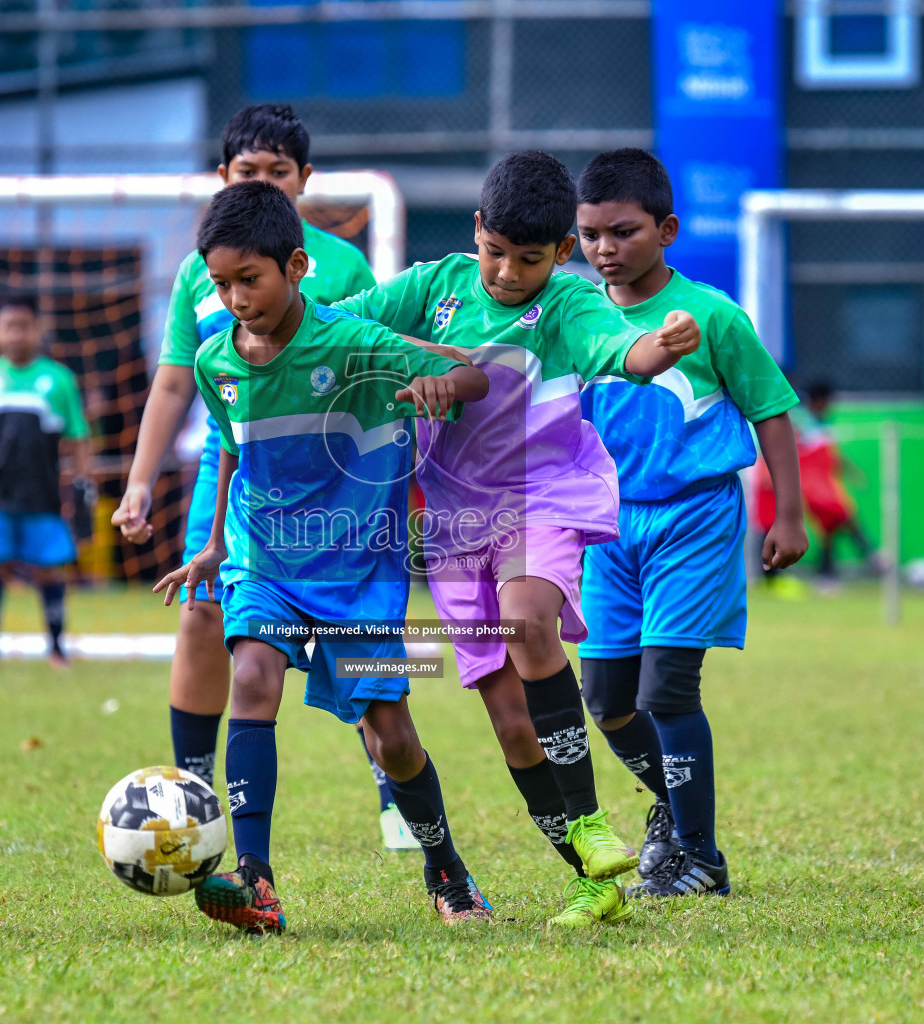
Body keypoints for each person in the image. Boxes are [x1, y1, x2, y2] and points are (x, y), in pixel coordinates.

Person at [335, 150, 702, 926]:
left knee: (531, 619)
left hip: (542, 500)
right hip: (455, 523)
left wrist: (657, 348)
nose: (505, 272)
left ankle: (597, 822)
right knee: (511, 726)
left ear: (561, 252)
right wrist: (423, 361)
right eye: (494, 251)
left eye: (527, 259)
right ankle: (591, 876)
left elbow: (621, 350)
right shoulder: (434, 286)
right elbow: (345, 330)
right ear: (477, 231)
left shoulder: (568, 305)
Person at [157, 181, 493, 932]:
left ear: (297, 267)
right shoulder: (217, 363)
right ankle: (256, 882)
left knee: (391, 735)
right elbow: (233, 453)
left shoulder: (352, 342)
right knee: (250, 675)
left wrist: (443, 381)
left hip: (357, 568)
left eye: (251, 279)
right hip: (264, 557)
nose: (237, 297)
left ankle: (448, 872)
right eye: (221, 284)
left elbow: (473, 373)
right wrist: (213, 545)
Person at [108, 105, 410, 852]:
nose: (266, 183)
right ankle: (191, 795)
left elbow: (368, 370)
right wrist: (139, 482)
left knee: (359, 627)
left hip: (335, 472)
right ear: (224, 178)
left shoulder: (338, 264)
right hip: (239, 458)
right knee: (203, 610)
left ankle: (391, 787)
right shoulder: (195, 273)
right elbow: (176, 381)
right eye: (250, 172)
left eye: (280, 172)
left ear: (304, 181)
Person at [573, 148, 804, 902]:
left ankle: (700, 859)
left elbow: (770, 407)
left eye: (624, 231)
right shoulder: (576, 317)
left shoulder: (711, 315)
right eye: (590, 233)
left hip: (694, 517)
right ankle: (674, 818)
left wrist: (788, 514)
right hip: (607, 527)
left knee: (667, 690)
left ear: (666, 229)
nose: (604, 248)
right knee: (607, 697)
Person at [0, 295, 94, 669]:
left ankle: (57, 648)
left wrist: (84, 481)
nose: (16, 335)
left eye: (24, 326)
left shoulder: (58, 379)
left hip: (42, 496)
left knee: (48, 570)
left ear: (37, 331)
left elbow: (78, 436)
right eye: (8, 327)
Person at [799, 381, 882, 582]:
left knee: (828, 528)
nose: (828, 406)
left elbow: (834, 456)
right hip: (813, 487)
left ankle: (825, 574)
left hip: (826, 484)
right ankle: (871, 554)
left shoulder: (825, 424)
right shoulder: (801, 424)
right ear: (816, 401)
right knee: (843, 515)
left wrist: (852, 472)